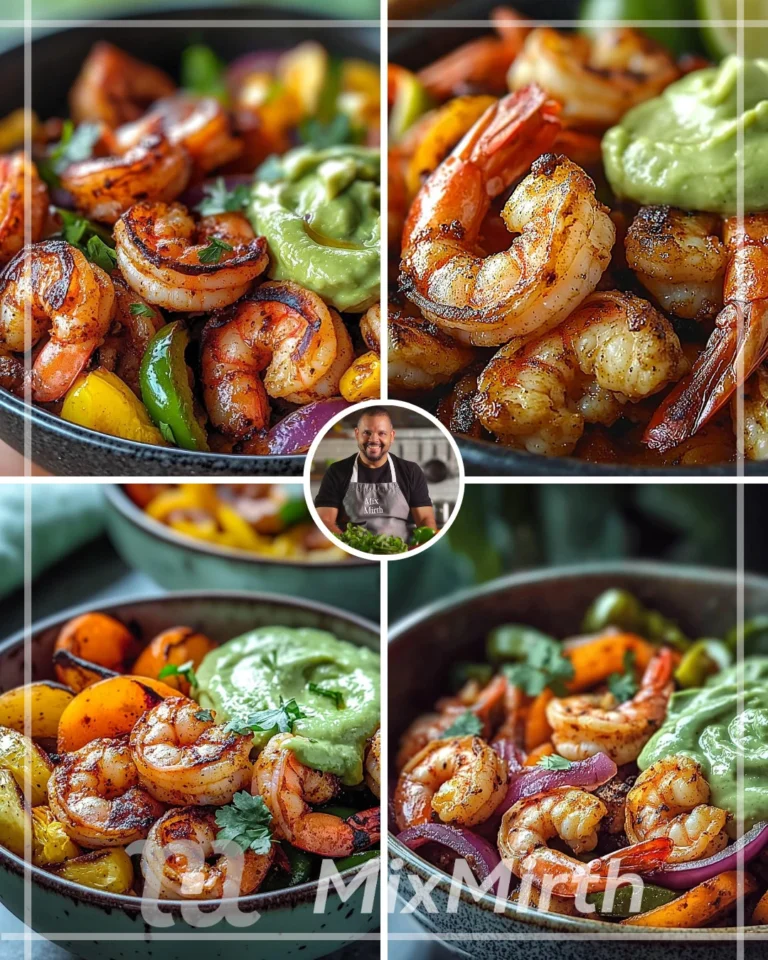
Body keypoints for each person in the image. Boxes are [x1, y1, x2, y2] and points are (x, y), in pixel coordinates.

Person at [314, 407, 436, 542]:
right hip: (351, 549)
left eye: (382, 433)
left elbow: (425, 519)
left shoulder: (410, 471)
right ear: (357, 434)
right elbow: (324, 520)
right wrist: (348, 546)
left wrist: (426, 543)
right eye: (367, 432)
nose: (373, 439)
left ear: (392, 436)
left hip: (400, 549)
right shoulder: (336, 471)